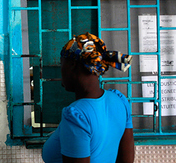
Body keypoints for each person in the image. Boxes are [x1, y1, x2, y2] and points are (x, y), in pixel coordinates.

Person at [42, 32, 135, 163]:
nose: (60, 69)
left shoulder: (76, 116)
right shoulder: (120, 100)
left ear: (72, 65)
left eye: (61, 63)